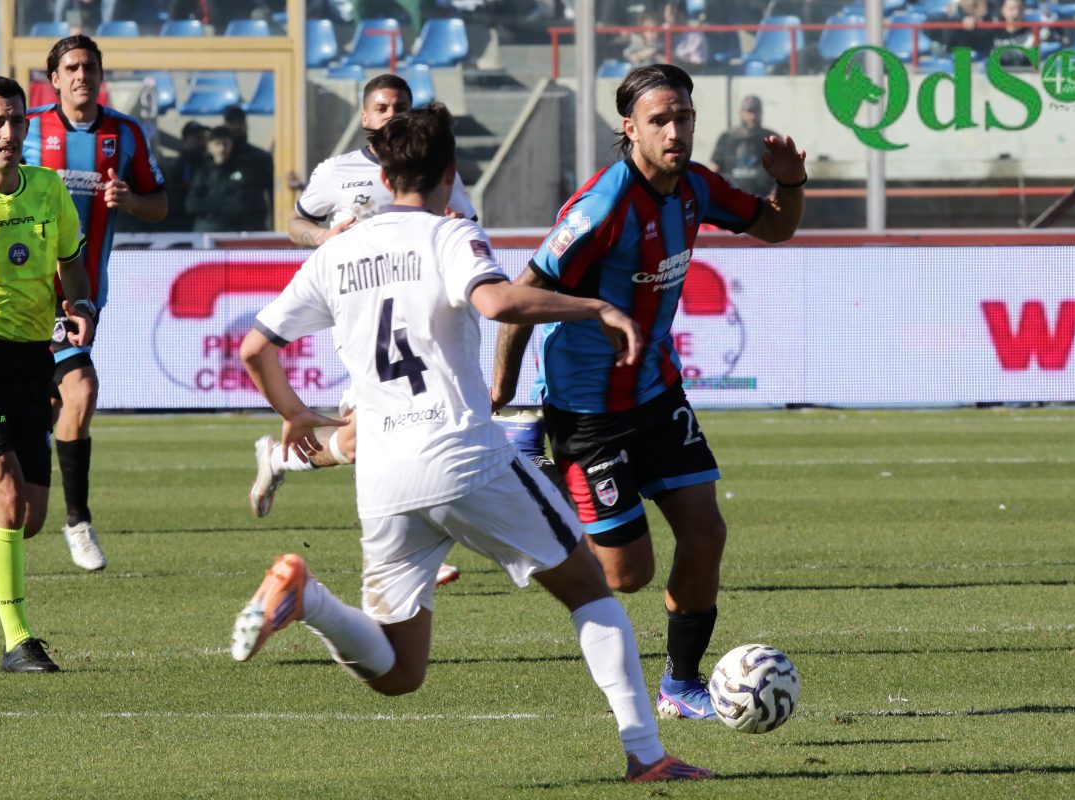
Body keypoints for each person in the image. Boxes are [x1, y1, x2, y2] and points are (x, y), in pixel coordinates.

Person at [231, 103, 711, 784]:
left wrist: (296, 415)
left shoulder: (337, 251)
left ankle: (306, 599)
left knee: (399, 672)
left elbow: (255, 347)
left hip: (384, 477)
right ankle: (646, 755)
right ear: (450, 171)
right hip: (462, 454)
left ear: (384, 170)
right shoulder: (450, 233)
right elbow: (498, 303)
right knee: (589, 591)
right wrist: (596, 307)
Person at [490, 63, 806, 720]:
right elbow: (517, 297)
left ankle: (682, 684)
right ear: (628, 128)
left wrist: (791, 183)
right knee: (625, 576)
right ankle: (537, 475)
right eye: (660, 119)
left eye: (683, 117)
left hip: (658, 392)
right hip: (587, 409)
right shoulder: (603, 207)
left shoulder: (695, 187)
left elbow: (776, 228)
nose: (675, 129)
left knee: (706, 532)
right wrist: (503, 397)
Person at [251, 73, 476, 587]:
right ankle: (408, 547)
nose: (391, 114)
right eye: (382, 107)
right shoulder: (337, 173)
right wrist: (327, 237)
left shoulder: (432, 167)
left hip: (416, 309)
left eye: (400, 105)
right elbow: (296, 225)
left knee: (361, 439)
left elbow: (464, 222)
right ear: (365, 116)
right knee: (389, 423)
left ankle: (280, 458)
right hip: (362, 307)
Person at [10, 34, 167, 573]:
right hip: (18, 292)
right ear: (53, 78)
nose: (82, 75)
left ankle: (75, 521)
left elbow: (160, 203)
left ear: (102, 75)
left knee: (78, 392)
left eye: (91, 67)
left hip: (79, 297)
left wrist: (132, 200)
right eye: (72, 68)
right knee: (46, 402)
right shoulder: (24, 128)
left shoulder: (125, 134)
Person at [0, 74, 96, 671]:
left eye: (17, 121)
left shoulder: (47, 190)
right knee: (9, 503)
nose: (9, 132)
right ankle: (19, 642)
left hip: (29, 356)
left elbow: (73, 264)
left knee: (30, 518)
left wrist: (81, 306)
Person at [184, 125, 268, 232]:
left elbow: (241, 204)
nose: (222, 148)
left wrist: (208, 204)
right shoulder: (202, 171)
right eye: (217, 144)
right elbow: (190, 205)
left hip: (234, 233)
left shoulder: (243, 170)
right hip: (206, 232)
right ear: (209, 146)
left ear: (232, 144)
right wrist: (221, 204)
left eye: (225, 143)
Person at [710, 95, 780, 197]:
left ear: (761, 113)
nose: (753, 116)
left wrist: (777, 192)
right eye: (749, 111)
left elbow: (782, 170)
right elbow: (714, 168)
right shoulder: (727, 137)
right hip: (731, 199)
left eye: (756, 111)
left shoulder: (771, 138)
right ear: (741, 113)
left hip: (763, 200)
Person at [221, 105, 273, 228]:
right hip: (224, 225)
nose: (236, 126)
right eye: (231, 122)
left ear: (245, 124)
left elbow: (272, 193)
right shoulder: (217, 158)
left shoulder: (260, 157)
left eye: (240, 122)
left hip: (254, 221)